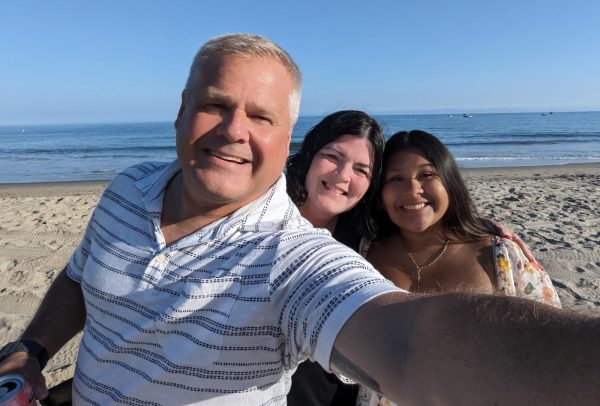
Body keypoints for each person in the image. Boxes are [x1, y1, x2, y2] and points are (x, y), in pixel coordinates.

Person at [0, 34, 598, 406]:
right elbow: (81, 276)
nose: (234, 130)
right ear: (181, 111)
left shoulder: (298, 255)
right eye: (214, 105)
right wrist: (31, 348)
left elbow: (411, 343)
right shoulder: (128, 187)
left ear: (285, 136)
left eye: (260, 116)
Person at [356, 130, 562, 405]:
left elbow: (551, 341)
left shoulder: (499, 254)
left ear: (449, 181)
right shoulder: (362, 255)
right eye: (395, 179)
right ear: (380, 193)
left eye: (426, 175)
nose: (412, 189)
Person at [286, 110, 385, 405]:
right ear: (310, 155)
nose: (343, 176)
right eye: (333, 156)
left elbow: (428, 223)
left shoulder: (368, 239)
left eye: (361, 170)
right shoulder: (264, 213)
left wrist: (484, 229)